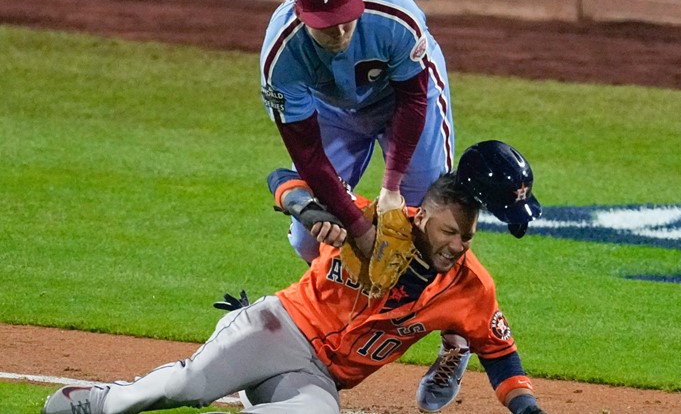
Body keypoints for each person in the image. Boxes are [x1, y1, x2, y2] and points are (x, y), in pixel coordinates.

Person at [42, 140, 546, 414]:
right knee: (189, 387)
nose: (457, 246)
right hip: (276, 330)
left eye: (468, 238)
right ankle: (96, 403)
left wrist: (527, 410)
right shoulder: (368, 219)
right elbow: (282, 177)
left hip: (314, 378)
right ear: (421, 215)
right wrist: (308, 210)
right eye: (451, 232)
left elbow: (503, 358)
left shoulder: (470, 287)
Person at [259, 0, 461, 407]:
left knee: (438, 224)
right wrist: (358, 226)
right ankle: (340, 323)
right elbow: (309, 156)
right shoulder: (281, 55)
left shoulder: (395, 17)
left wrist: (391, 189)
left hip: (405, 105)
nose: (339, 31)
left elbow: (413, 98)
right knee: (306, 238)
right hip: (331, 112)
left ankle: (456, 340)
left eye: (346, 18)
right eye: (325, 22)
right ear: (301, 11)